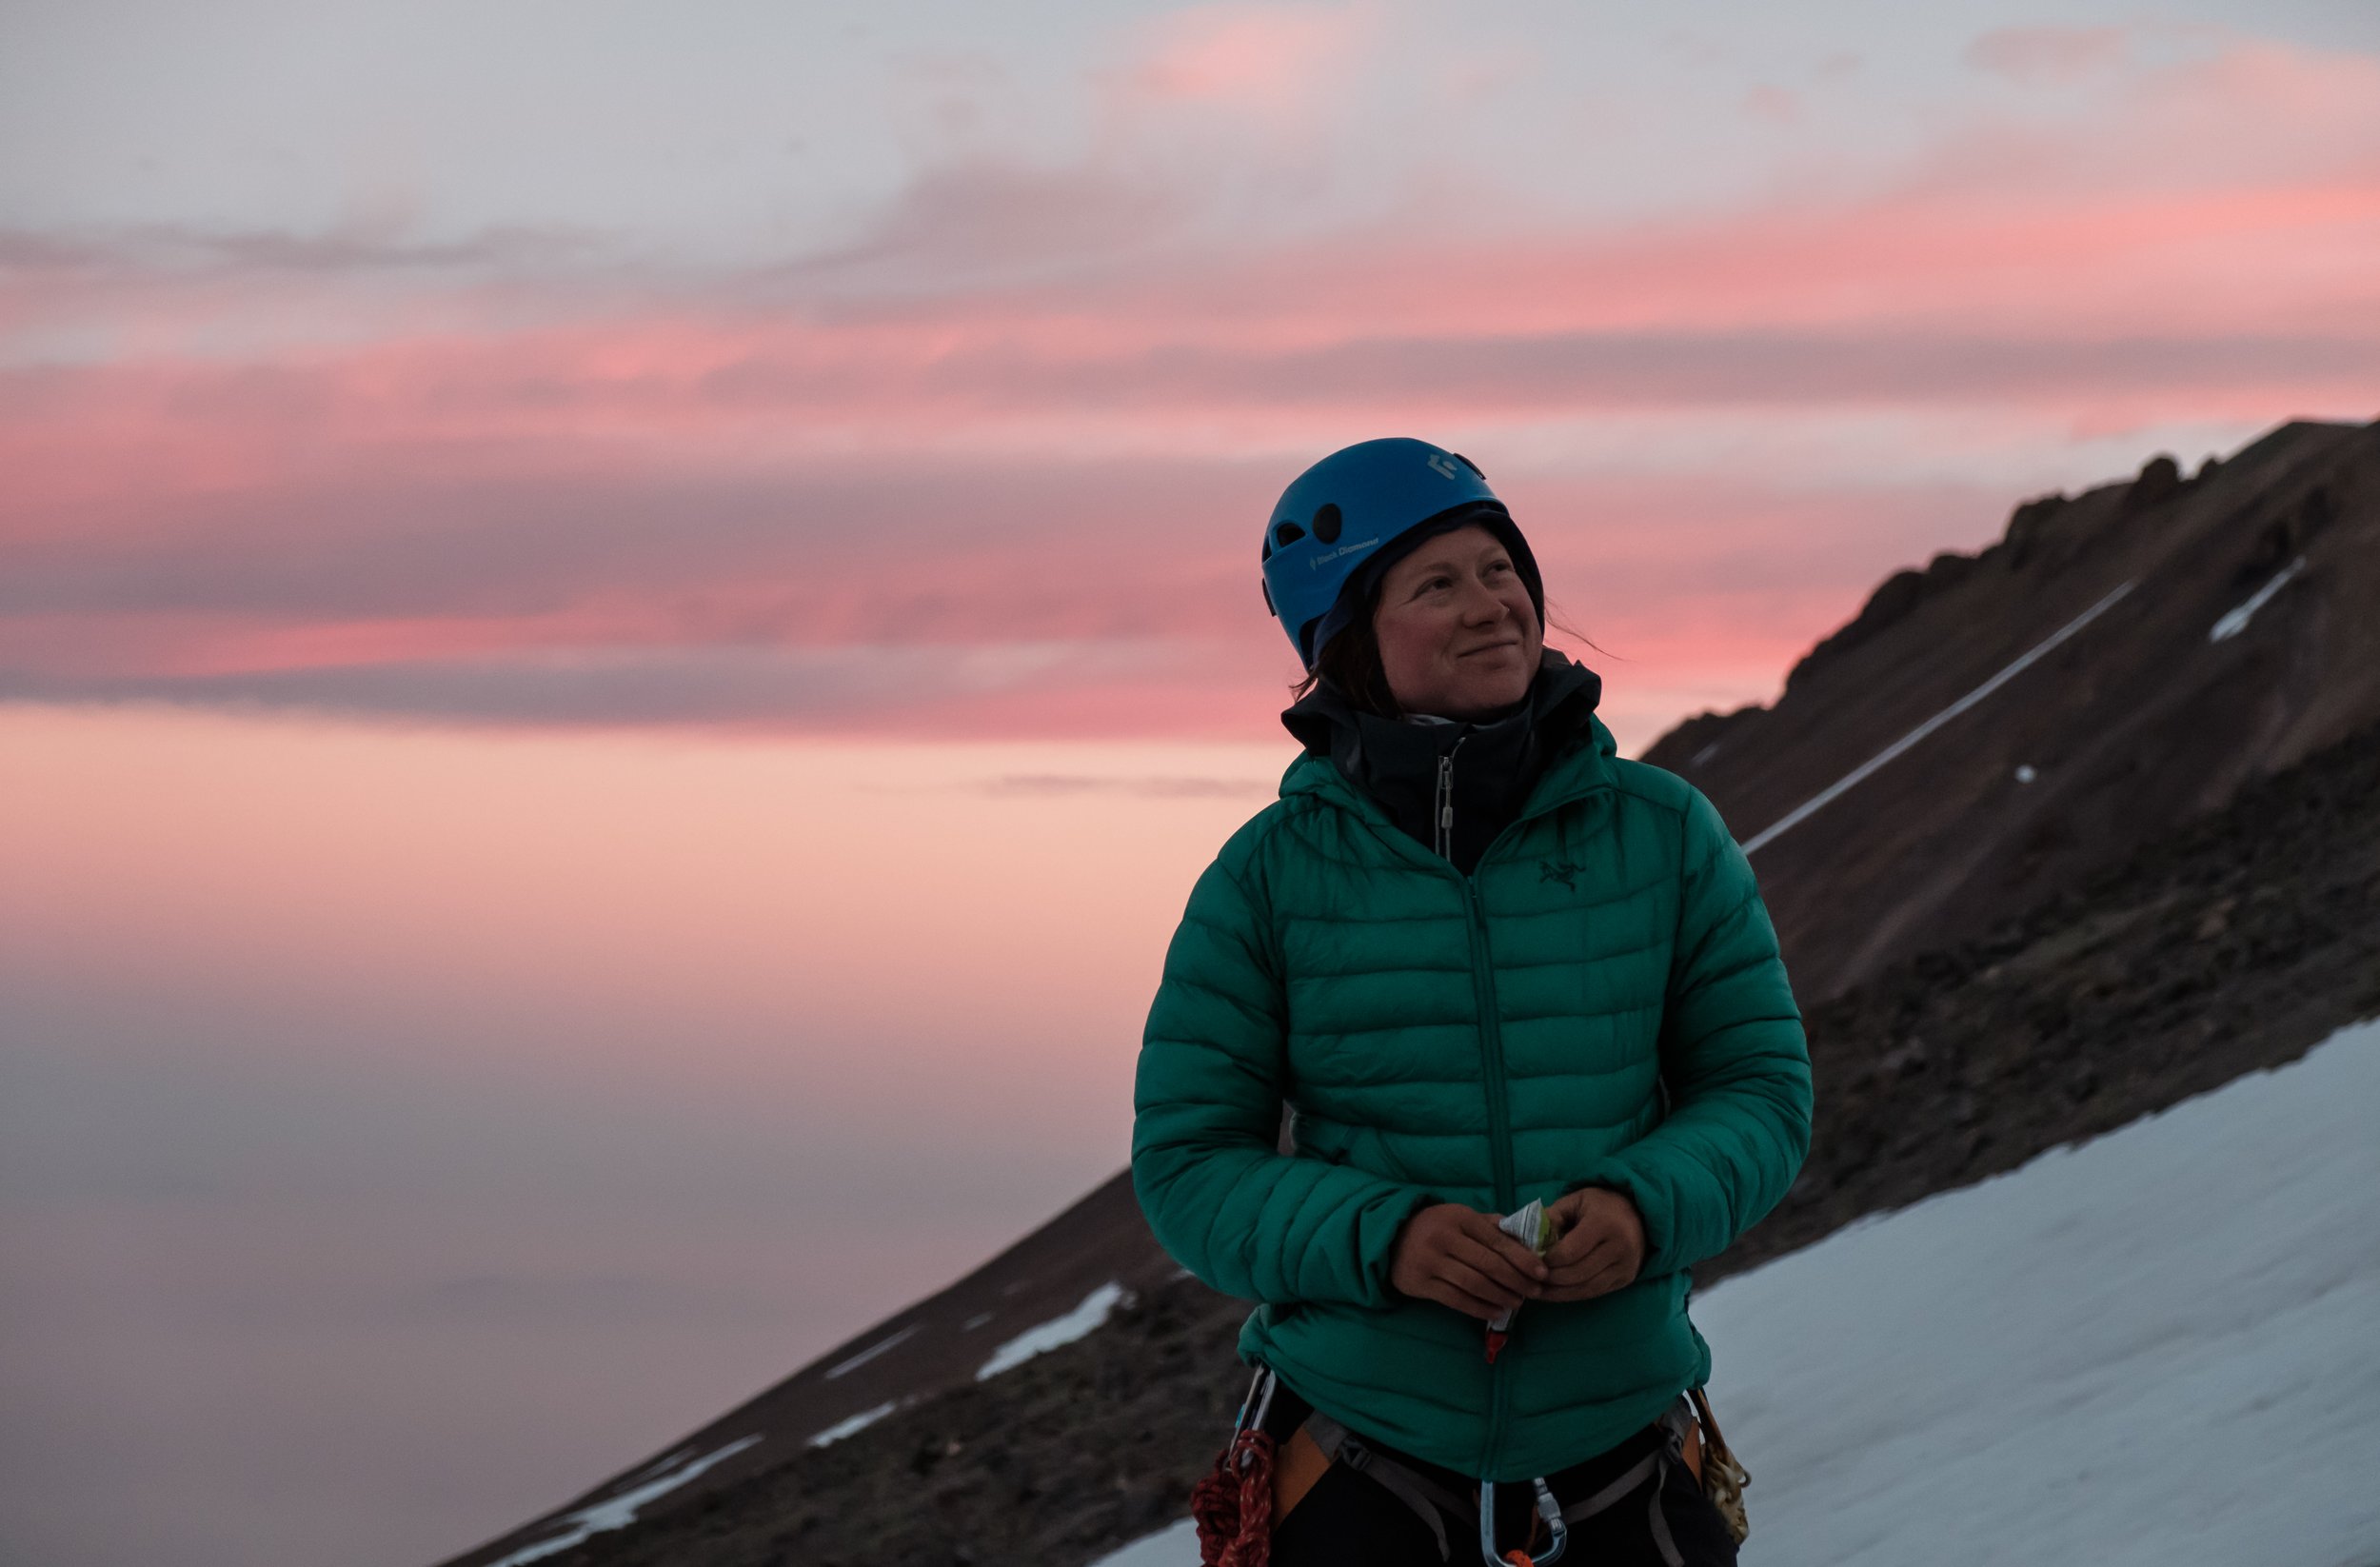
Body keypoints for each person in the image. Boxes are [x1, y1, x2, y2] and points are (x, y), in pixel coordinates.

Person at [1132, 438, 1813, 1566]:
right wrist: (1385, 1237)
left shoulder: (1662, 831)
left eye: (1500, 568)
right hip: (1360, 1464)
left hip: (1623, 1452)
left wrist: (1644, 1207)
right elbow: (1189, 1163)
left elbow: (1760, 1092)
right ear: (1347, 641)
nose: (1492, 604)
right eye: (1435, 583)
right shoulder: (1266, 878)